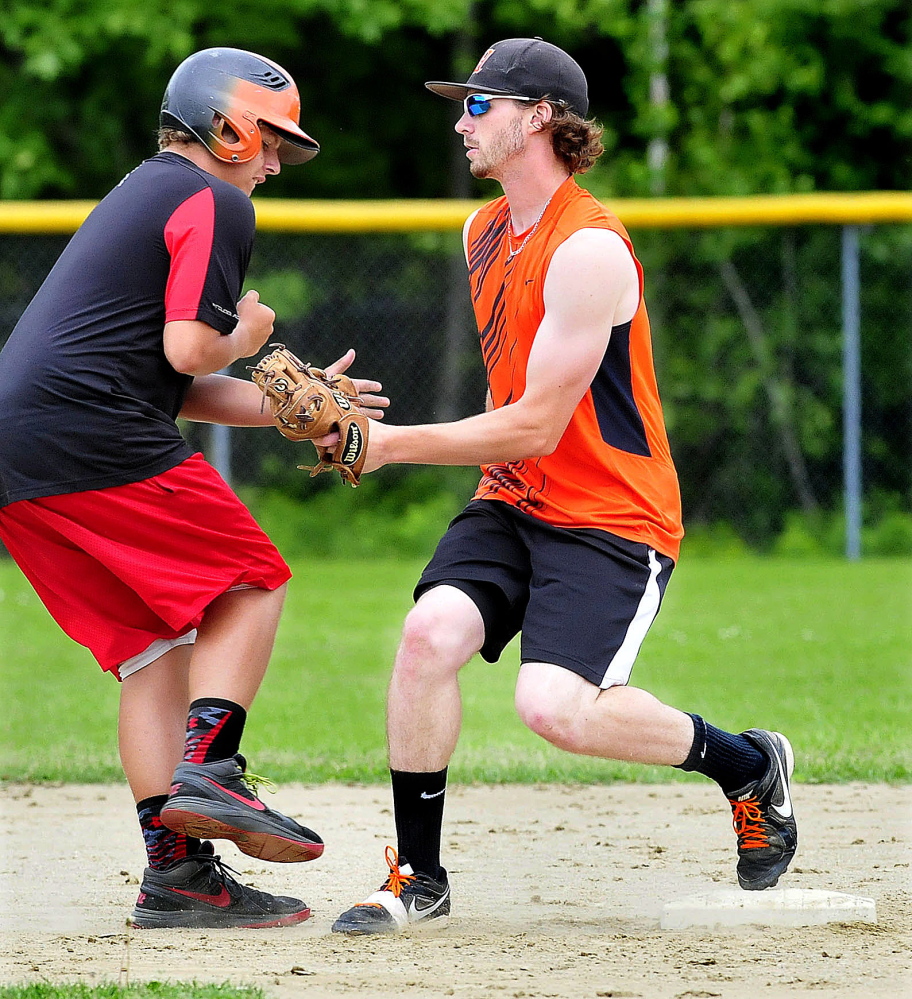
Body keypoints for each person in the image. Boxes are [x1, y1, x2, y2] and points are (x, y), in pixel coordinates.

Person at [330, 37, 797, 935]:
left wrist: (388, 445)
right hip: (514, 495)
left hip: (612, 514)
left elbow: (540, 420)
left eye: (479, 104)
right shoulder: (483, 232)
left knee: (555, 709)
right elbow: (515, 405)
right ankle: (417, 874)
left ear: (538, 116)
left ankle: (746, 764)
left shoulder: (589, 251)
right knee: (428, 636)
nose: (461, 119)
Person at [0, 47, 386, 929]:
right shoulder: (213, 196)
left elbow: (172, 385)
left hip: (22, 451)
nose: (277, 161)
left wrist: (293, 408)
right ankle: (211, 769)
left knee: (153, 652)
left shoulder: (150, 190)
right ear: (227, 124)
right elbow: (189, 349)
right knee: (253, 580)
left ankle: (177, 876)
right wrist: (247, 329)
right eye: (273, 140)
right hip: (88, 430)